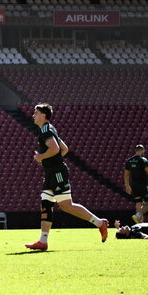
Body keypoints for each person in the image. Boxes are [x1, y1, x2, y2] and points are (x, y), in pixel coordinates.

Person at [25, 103, 109, 251]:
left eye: (36, 112)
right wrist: (52, 161)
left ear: (43, 115)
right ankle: (43, 241)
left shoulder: (45, 130)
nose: (33, 115)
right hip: (52, 172)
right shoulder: (49, 129)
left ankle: (99, 223)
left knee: (66, 206)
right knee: (46, 203)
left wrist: (42, 157)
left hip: (57, 173)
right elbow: (64, 149)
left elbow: (56, 149)